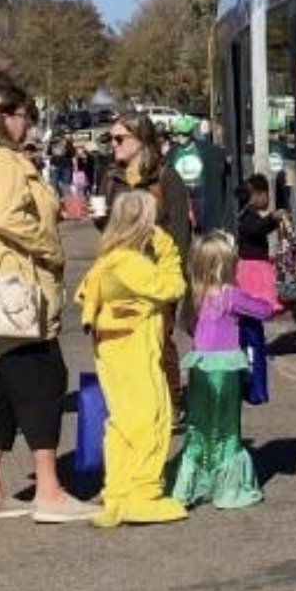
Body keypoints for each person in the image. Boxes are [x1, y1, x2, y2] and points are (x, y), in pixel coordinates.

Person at [0, 85, 97, 524]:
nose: (28, 123)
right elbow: (7, 215)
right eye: (23, 115)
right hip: (14, 293)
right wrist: (51, 246)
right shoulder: (4, 161)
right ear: (4, 116)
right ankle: (49, 490)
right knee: (44, 382)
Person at [76, 191, 190, 527]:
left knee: (123, 423)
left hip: (114, 350)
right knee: (151, 418)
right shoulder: (131, 263)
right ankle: (142, 494)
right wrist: (169, 251)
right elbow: (171, 287)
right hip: (134, 350)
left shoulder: (109, 258)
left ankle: (119, 492)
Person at [169, 231, 274, 510]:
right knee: (226, 429)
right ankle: (229, 489)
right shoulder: (230, 295)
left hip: (200, 368)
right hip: (225, 371)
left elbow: (190, 327)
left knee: (199, 428)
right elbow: (264, 311)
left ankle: (186, 488)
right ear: (224, 266)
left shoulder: (196, 294)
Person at [98, 111, 192, 405]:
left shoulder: (166, 177)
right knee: (125, 340)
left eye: (119, 138)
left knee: (159, 340)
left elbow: (180, 232)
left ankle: (171, 400)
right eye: (110, 139)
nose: (113, 145)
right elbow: (106, 227)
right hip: (119, 274)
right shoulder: (112, 177)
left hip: (156, 273)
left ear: (141, 139)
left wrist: (175, 280)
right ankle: (136, 400)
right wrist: (99, 218)